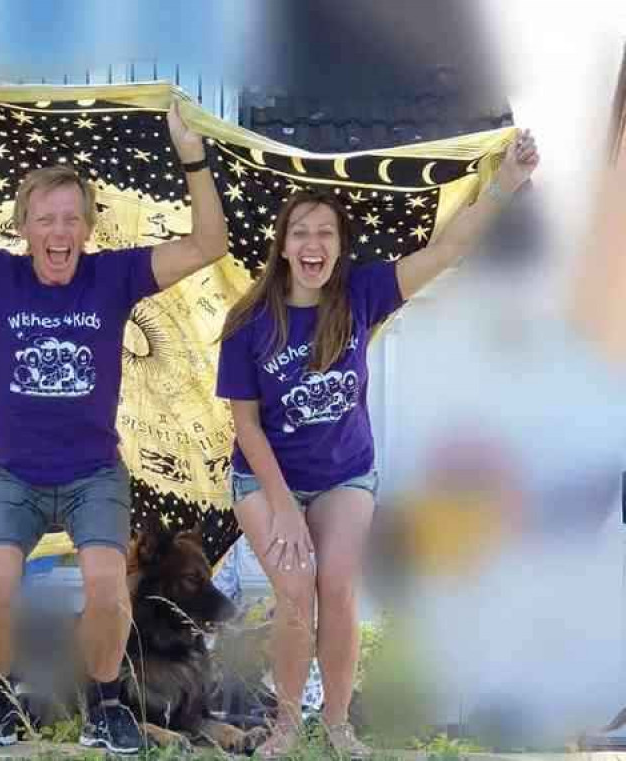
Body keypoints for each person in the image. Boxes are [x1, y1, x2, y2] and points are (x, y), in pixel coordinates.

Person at [0, 81, 228, 755]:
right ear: (24, 228)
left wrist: (191, 155)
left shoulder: (113, 276)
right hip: (13, 473)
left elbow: (209, 243)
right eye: (46, 219)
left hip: (91, 474)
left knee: (108, 588)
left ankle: (106, 707)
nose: (59, 232)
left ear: (89, 226)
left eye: (72, 218)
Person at [215, 132, 539, 758]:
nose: (314, 245)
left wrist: (507, 182)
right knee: (294, 588)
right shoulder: (249, 323)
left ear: (340, 247)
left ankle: (337, 725)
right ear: (282, 246)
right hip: (265, 478)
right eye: (302, 233)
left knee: (336, 586)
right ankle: (286, 723)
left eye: (326, 234)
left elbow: (449, 248)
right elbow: (246, 426)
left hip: (344, 474)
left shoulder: (362, 295)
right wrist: (282, 506)